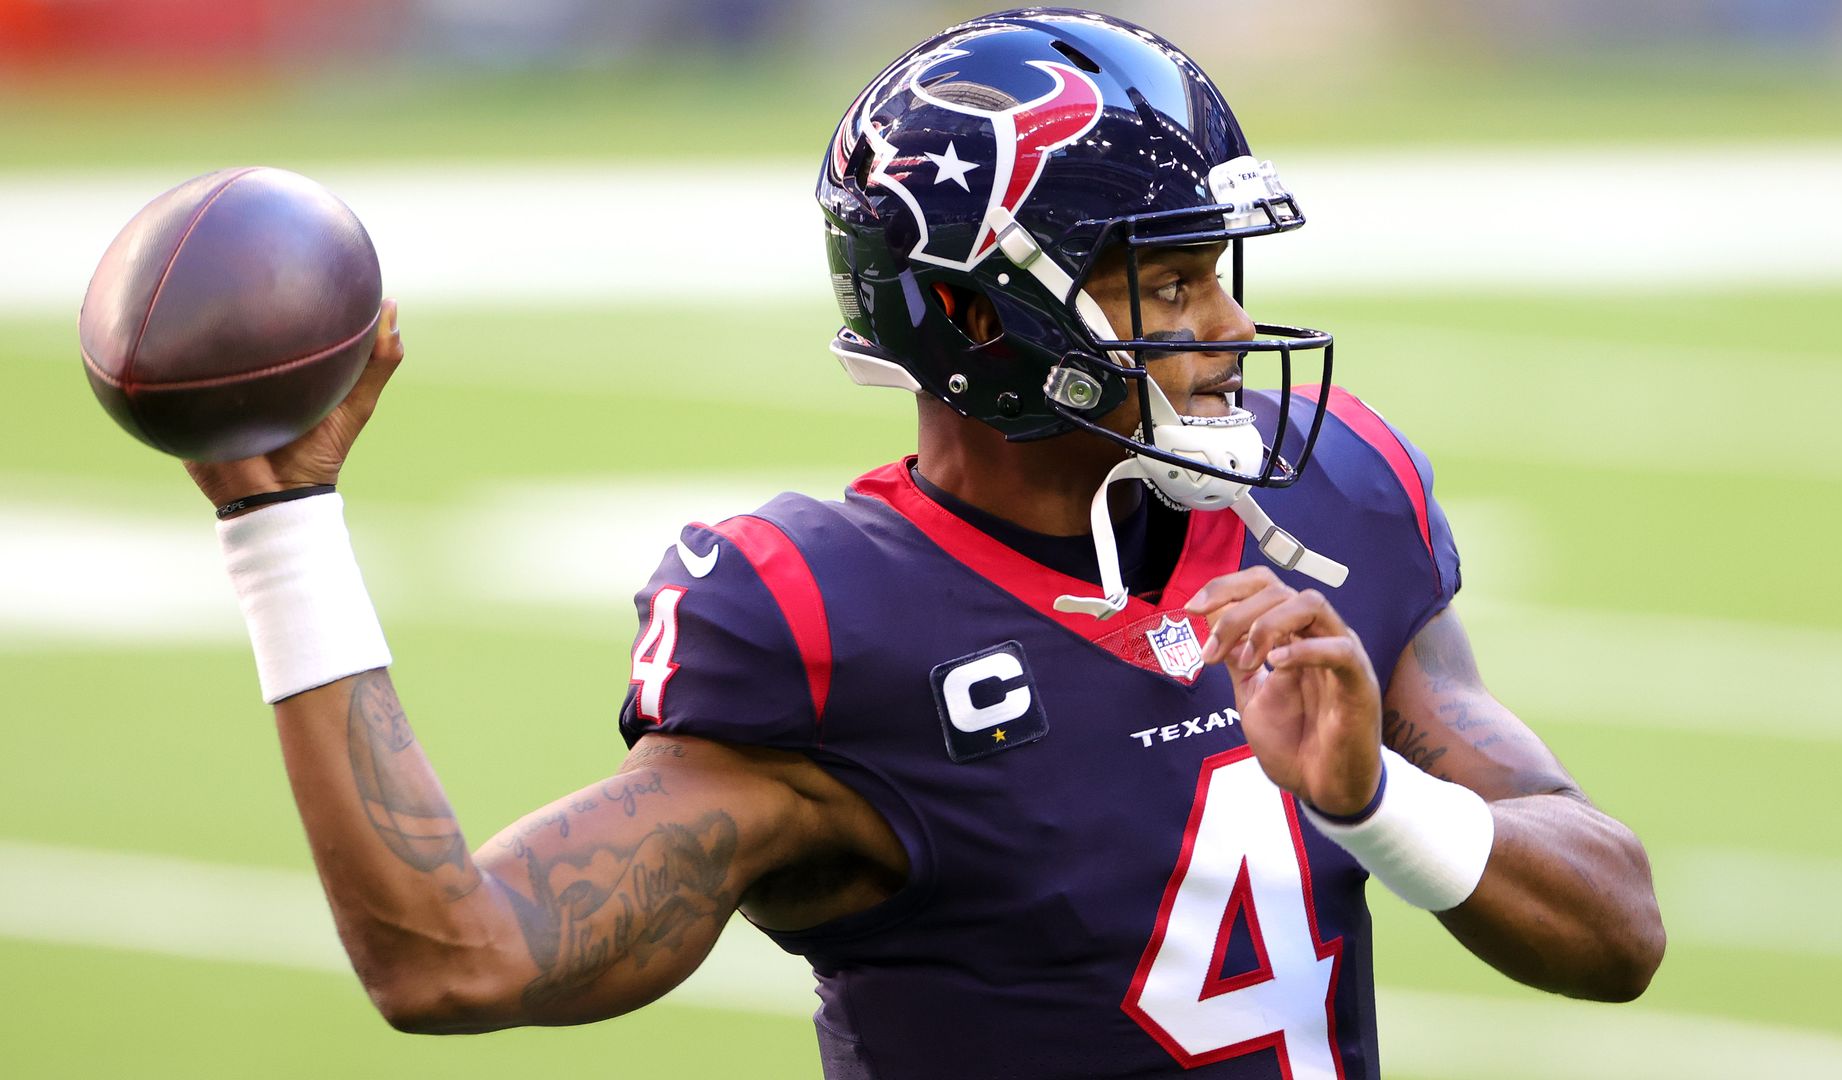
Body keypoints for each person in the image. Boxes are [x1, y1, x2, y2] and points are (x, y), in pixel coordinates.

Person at [189, 9, 1664, 1078]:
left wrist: (1375, 800)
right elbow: (453, 957)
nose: (1223, 328)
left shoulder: (1327, 510)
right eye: (1163, 280)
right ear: (975, 314)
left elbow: (1617, 929)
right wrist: (283, 533)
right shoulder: (831, 628)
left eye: (1219, 271)